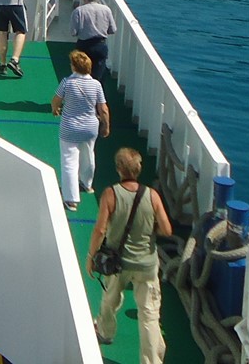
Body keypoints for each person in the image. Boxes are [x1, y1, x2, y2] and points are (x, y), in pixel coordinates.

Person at [89, 147, 173, 363]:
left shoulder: (110, 194)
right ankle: (152, 360)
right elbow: (166, 230)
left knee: (110, 299)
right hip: (147, 265)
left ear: (118, 168)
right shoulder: (152, 195)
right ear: (138, 169)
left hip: (118, 263)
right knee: (149, 315)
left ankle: (105, 332)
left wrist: (91, 256)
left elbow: (100, 230)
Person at [51, 50, 109, 210]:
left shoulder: (67, 83)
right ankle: (87, 184)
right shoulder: (96, 85)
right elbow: (103, 109)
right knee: (89, 155)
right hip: (90, 127)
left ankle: (71, 199)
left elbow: (56, 100)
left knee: (69, 160)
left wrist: (55, 109)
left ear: (74, 67)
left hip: (70, 127)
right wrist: (106, 125)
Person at [70, 0, 116, 79]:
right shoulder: (106, 10)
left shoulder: (79, 11)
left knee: (80, 76)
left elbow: (73, 32)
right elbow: (113, 30)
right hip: (100, 46)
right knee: (97, 79)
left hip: (84, 46)